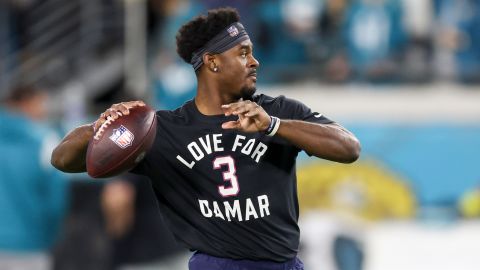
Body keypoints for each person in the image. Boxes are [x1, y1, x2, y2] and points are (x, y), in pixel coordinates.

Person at [51, 7, 360, 270]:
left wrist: (274, 126)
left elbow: (348, 148)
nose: (254, 62)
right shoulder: (163, 130)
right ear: (212, 62)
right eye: (243, 53)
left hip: (283, 263)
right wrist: (100, 127)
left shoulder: (277, 110)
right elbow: (62, 159)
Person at [0, 85, 69, 270]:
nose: (43, 110)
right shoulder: (46, 141)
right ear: (26, 104)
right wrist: (48, 238)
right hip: (30, 247)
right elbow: (56, 203)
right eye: (40, 104)